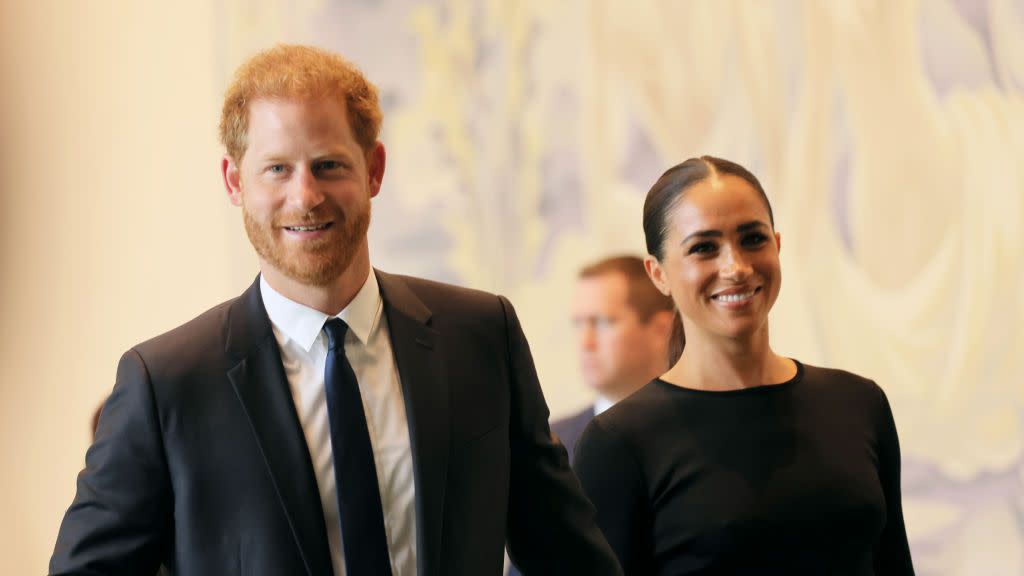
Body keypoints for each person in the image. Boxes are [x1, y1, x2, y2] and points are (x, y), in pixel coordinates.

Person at [50, 44, 621, 576]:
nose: (305, 196)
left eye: (328, 165)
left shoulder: (480, 336)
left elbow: (567, 555)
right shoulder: (166, 383)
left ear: (373, 169)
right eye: (276, 168)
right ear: (234, 181)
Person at [573, 156, 915, 574]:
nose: (735, 267)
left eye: (752, 239)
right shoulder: (620, 442)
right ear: (658, 273)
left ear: (777, 244)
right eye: (704, 248)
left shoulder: (859, 404)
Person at [558, 255, 675, 463]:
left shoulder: (704, 432)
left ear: (662, 330)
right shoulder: (551, 447)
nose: (586, 343)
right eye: (579, 324)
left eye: (602, 322)